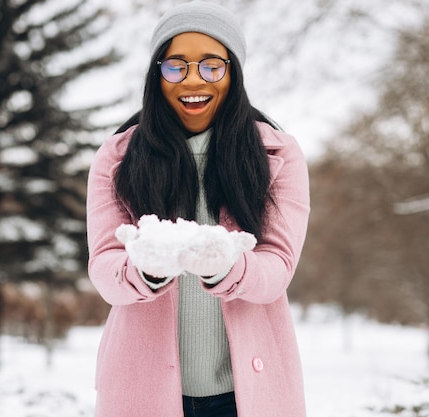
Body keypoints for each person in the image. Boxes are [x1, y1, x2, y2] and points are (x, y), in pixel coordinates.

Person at [86, 2, 310, 416]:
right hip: (143, 392)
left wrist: (227, 267)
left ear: (233, 72)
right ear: (157, 73)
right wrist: (144, 269)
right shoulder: (117, 157)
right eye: (176, 66)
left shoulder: (277, 154)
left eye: (211, 66)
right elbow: (104, 269)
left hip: (245, 396)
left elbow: (277, 268)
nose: (193, 80)